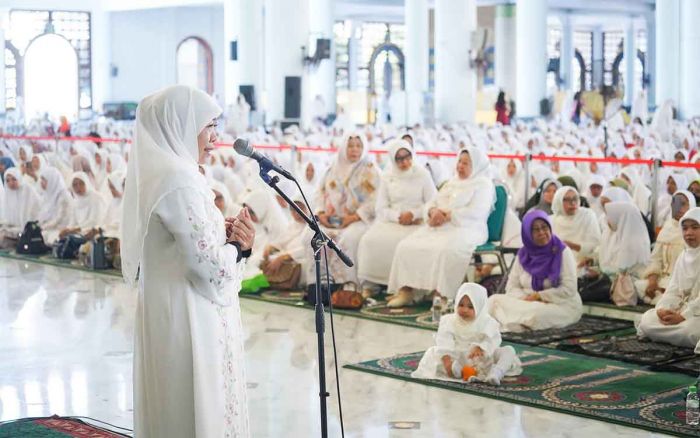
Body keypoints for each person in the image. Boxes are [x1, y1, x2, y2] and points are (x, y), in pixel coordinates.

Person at [121, 85, 253, 437]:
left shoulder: (170, 172)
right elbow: (209, 267)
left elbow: (183, 241)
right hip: (188, 313)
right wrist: (240, 247)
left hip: (170, 307)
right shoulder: (178, 179)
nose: (215, 137)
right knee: (192, 405)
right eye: (208, 126)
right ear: (181, 124)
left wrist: (218, 231)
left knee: (176, 407)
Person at [386, 147, 494, 306]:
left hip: (468, 228)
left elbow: (477, 212)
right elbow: (432, 201)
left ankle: (442, 294)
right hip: (439, 226)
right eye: (459, 162)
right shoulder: (452, 182)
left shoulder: (483, 184)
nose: (460, 166)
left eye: (466, 163)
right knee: (406, 245)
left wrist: (448, 215)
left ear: (476, 165)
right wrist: (432, 211)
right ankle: (406, 291)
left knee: (446, 250)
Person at [356, 139, 437, 296]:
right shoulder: (387, 176)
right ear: (393, 160)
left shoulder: (422, 175)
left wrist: (414, 214)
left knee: (406, 244)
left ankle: (405, 288)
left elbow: (433, 202)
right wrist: (397, 216)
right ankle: (372, 284)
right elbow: (381, 208)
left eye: (407, 157)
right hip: (393, 221)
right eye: (399, 159)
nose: (405, 162)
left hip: (418, 222)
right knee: (369, 240)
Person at [488, 210, 582, 332]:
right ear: (527, 233)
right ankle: (513, 324)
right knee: (494, 300)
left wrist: (540, 296)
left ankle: (505, 323)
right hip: (526, 302)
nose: (542, 232)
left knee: (536, 315)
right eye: (535, 229)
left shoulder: (562, 252)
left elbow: (569, 289)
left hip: (560, 304)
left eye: (544, 227)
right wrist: (525, 298)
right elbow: (511, 287)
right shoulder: (523, 255)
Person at [411, 283, 522, 385]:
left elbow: (494, 340)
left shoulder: (488, 322)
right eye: (461, 305)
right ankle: (459, 372)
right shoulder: (449, 321)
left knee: (509, 350)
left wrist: (481, 347)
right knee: (434, 354)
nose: (464, 310)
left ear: (480, 306)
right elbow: (444, 340)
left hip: (482, 359)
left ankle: (496, 373)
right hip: (457, 356)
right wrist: (446, 359)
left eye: (470, 307)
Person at [314, 133, 380, 286]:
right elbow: (320, 192)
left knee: (348, 239)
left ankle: (347, 284)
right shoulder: (332, 169)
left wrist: (354, 217)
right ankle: (318, 285)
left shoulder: (370, 169)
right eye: (350, 146)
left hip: (359, 220)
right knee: (310, 236)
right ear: (344, 147)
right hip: (331, 219)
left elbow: (375, 199)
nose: (354, 150)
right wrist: (321, 213)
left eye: (359, 146)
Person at [637, 207, 700, 353]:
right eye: (684, 229)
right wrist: (662, 309)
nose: (689, 233)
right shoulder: (683, 256)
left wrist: (683, 316)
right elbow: (673, 289)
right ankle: (670, 332)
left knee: (691, 331)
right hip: (679, 310)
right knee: (648, 320)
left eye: (695, 228)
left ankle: (666, 334)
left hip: (695, 315)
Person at [635, 191, 696, 305]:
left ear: (691, 206)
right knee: (639, 286)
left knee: (666, 298)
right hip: (662, 279)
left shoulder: (695, 233)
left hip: (680, 282)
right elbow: (656, 259)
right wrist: (653, 281)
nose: (678, 208)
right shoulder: (667, 228)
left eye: (683, 204)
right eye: (675, 204)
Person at [550, 186, 601, 265]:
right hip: (557, 264)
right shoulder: (551, 220)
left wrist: (573, 246)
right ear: (559, 201)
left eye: (575, 198)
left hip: (584, 263)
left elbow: (595, 245)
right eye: (566, 200)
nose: (572, 203)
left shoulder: (587, 215)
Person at [58, 172, 107, 239]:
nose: (78, 187)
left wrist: (76, 229)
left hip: (93, 231)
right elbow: (73, 221)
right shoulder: (75, 201)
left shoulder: (96, 198)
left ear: (86, 183)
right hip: (79, 232)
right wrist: (67, 229)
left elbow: (94, 221)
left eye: (81, 183)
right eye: (75, 185)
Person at [0, 168, 41, 240]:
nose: (11, 183)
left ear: (19, 178)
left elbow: (35, 214)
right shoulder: (8, 194)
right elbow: (8, 218)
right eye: (8, 181)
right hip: (13, 228)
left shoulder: (28, 190)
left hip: (29, 228)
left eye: (14, 179)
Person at [37, 167, 74, 243]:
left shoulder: (64, 196)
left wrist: (43, 227)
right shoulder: (47, 195)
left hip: (61, 229)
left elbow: (60, 219)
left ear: (52, 180)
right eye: (41, 179)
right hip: (48, 228)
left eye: (44, 180)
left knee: (47, 237)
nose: (41, 182)